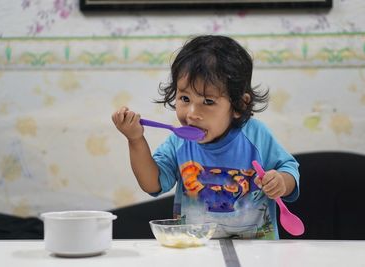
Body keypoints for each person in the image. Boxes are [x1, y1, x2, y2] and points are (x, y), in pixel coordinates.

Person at [112, 35, 299, 240]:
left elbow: (289, 169)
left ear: (239, 105)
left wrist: (281, 181)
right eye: (185, 98)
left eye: (208, 101)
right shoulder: (180, 142)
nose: (192, 113)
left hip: (257, 251)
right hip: (196, 249)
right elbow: (152, 184)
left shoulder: (255, 135)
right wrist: (135, 140)